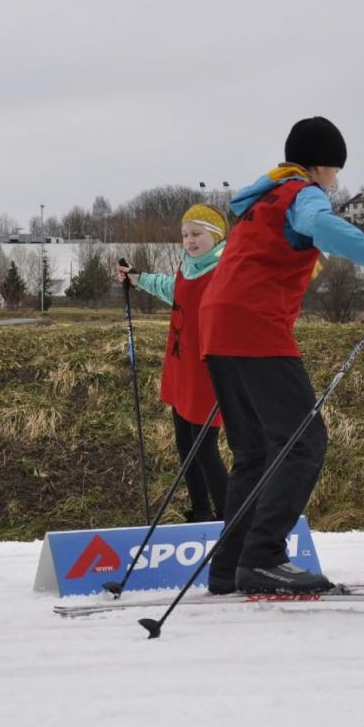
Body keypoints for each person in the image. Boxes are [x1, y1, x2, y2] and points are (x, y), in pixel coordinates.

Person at [198, 116, 364, 594]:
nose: (336, 180)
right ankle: (263, 557)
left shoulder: (262, 197)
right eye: (336, 169)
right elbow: (325, 228)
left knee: (254, 451)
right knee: (304, 442)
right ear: (322, 165)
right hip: (255, 326)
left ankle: (230, 565)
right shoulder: (303, 194)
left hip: (217, 325)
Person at [115, 204, 229, 523]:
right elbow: (173, 290)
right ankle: (200, 512)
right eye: (185, 235)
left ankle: (230, 515)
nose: (189, 241)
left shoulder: (226, 271)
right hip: (182, 366)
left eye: (197, 234)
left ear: (217, 236)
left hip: (208, 372)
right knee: (185, 443)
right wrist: (137, 278)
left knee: (204, 448)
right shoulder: (187, 266)